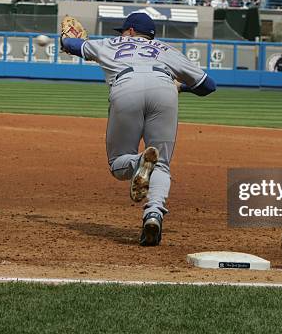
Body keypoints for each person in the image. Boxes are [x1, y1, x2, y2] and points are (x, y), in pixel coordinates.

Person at [60, 13, 216, 246]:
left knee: (118, 164)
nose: (121, 34)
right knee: (161, 164)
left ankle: (139, 161)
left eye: (123, 30)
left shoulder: (110, 44)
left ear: (131, 31)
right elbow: (208, 86)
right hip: (165, 90)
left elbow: (72, 45)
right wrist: (180, 87)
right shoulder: (167, 49)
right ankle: (153, 214)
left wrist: (65, 40)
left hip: (126, 88)